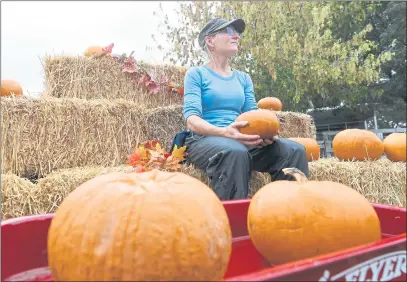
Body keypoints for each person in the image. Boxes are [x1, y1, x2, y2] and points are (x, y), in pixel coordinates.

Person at [182, 18, 309, 200]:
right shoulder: (196, 74)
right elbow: (192, 120)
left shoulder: (243, 78)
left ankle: (288, 214)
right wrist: (224, 132)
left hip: (239, 140)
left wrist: (264, 135)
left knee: (294, 150)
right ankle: (233, 223)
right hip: (205, 140)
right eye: (228, 31)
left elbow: (253, 116)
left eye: (237, 32)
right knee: (234, 152)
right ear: (210, 41)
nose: (236, 36)